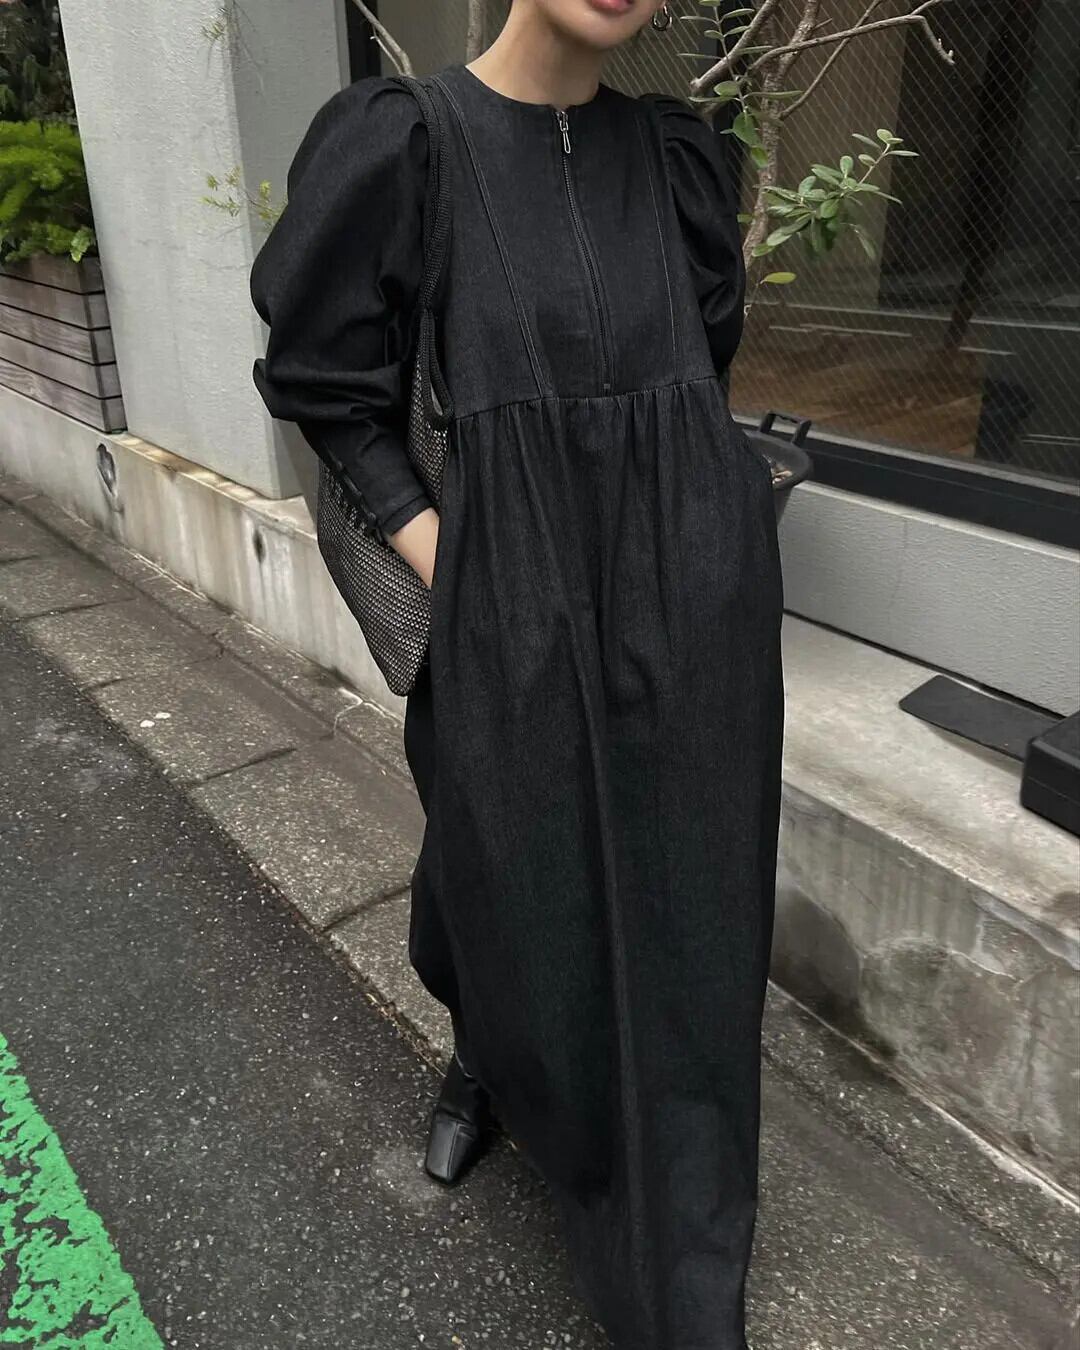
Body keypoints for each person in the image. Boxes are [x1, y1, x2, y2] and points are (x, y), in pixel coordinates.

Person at [249, 1, 785, 1345]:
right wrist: (456, 559)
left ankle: (674, 1275)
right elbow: (323, 381)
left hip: (691, 608)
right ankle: (488, 1051)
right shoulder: (405, 145)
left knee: (689, 909)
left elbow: (694, 382)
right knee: (509, 867)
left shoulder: (679, 162)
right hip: (506, 605)